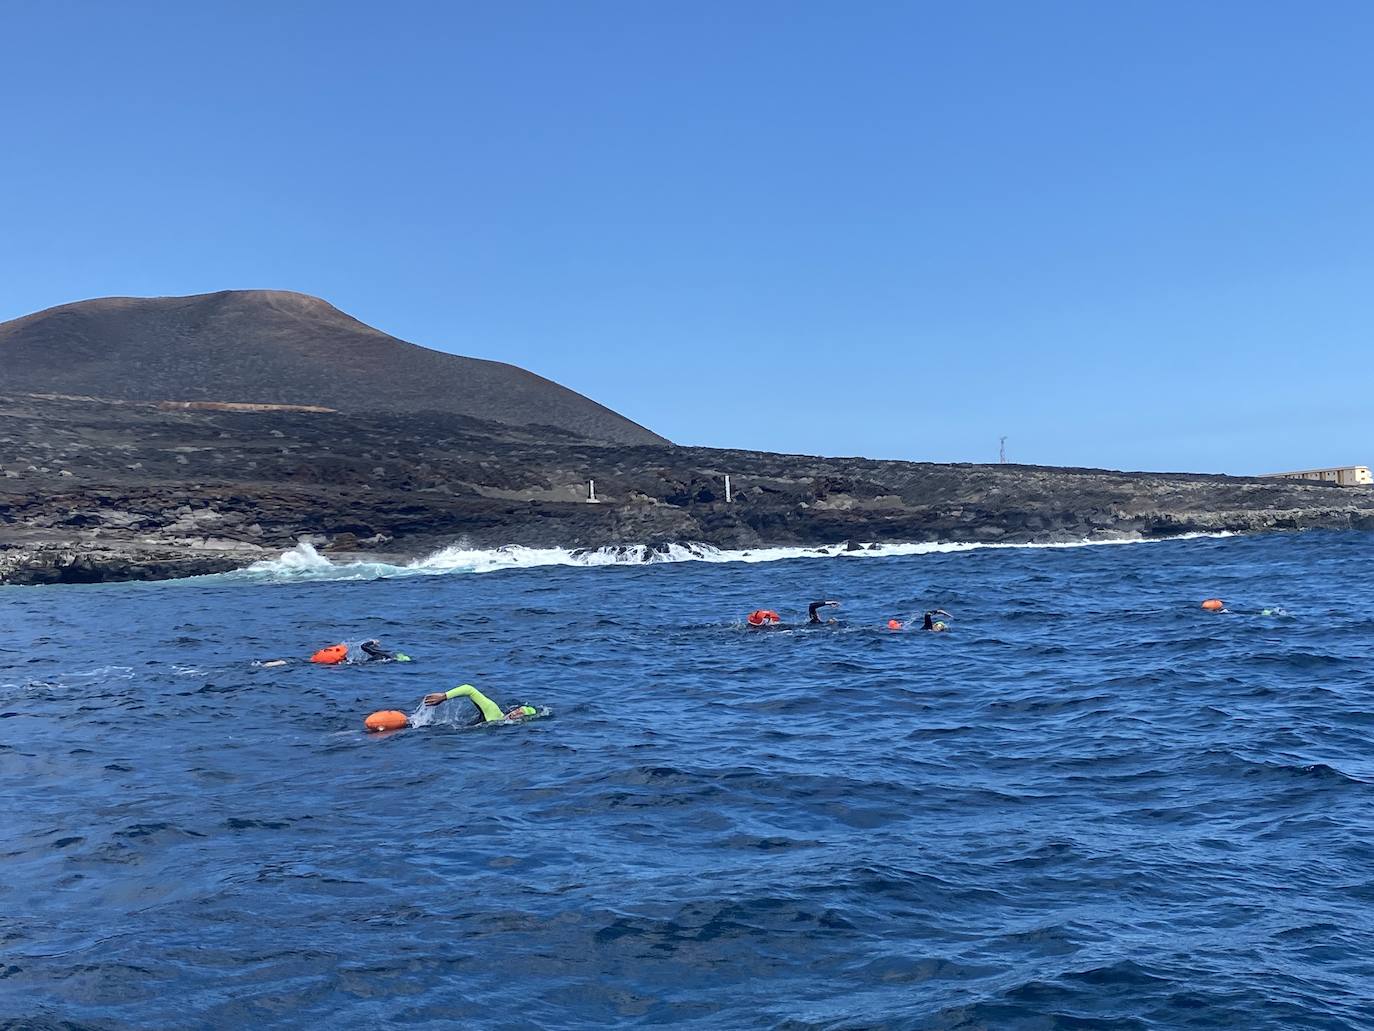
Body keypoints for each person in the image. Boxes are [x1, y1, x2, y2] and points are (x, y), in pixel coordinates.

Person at [423, 684, 535, 725]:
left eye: (521, 714)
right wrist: (444, 696)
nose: (516, 713)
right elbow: (469, 689)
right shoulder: (493, 711)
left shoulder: (497, 723)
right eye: (518, 710)